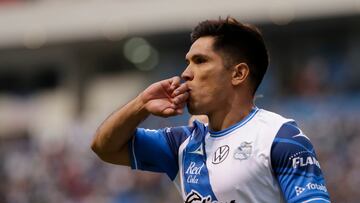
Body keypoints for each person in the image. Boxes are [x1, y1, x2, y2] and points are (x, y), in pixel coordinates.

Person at [91, 17, 330, 203]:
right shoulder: (182, 144)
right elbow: (104, 147)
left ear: (238, 74)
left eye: (200, 61)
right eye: (187, 62)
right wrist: (141, 104)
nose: (185, 73)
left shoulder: (280, 137)